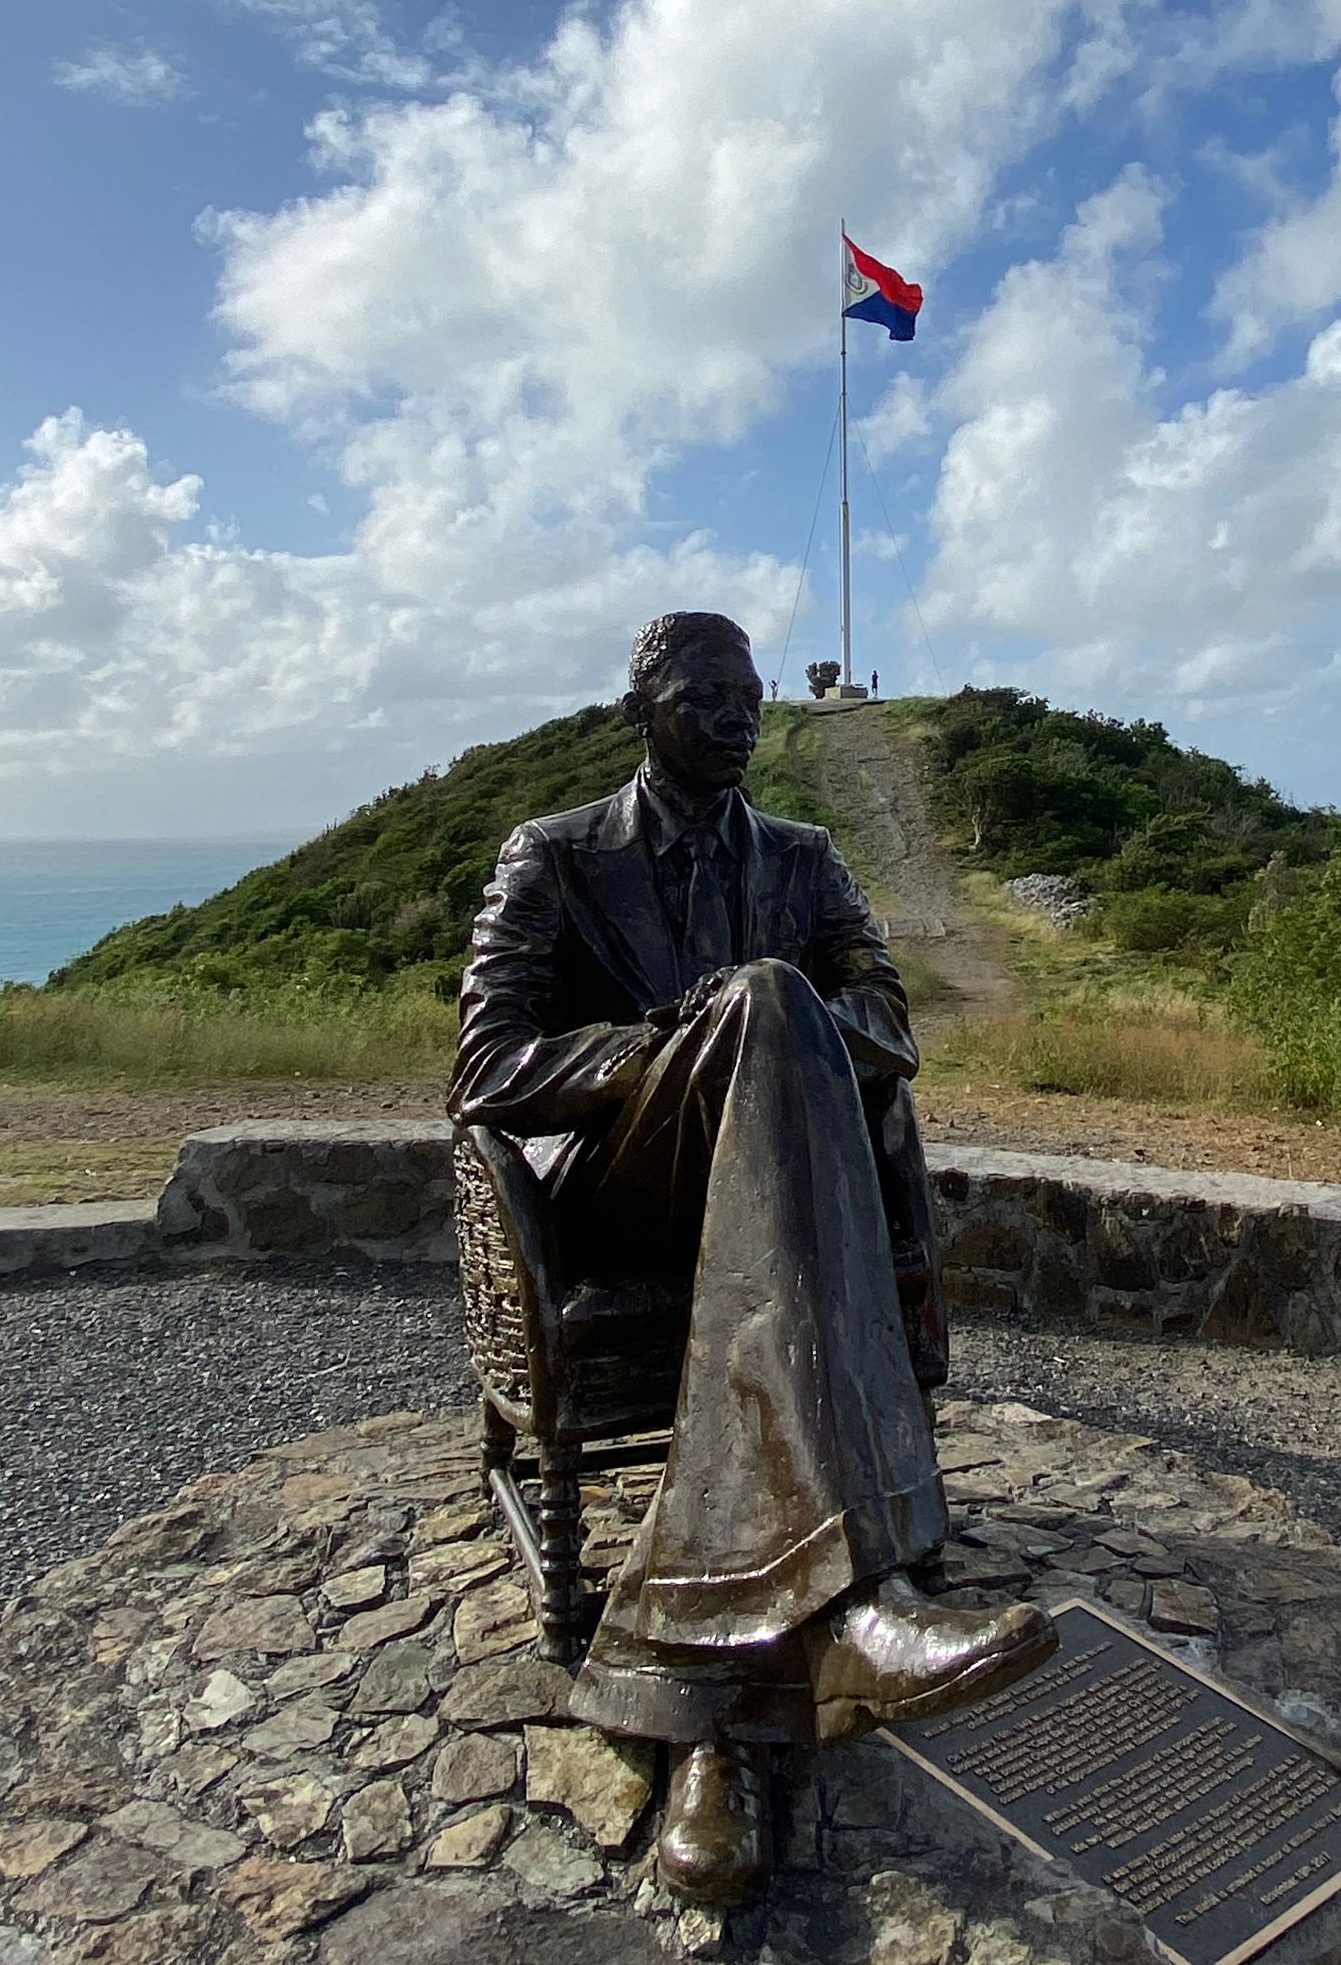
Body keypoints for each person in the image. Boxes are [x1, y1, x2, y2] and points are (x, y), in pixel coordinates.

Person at [449, 611, 1052, 1906]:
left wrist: (768, 1033)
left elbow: (888, 1020)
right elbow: (485, 1070)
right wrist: (676, 1044)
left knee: (782, 1004)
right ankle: (860, 1596)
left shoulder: (806, 857)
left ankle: (712, 1708)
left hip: (773, 1202)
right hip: (630, 1182)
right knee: (767, 997)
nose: (736, 716)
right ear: (640, 709)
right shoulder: (551, 858)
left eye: (751, 696)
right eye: (704, 694)